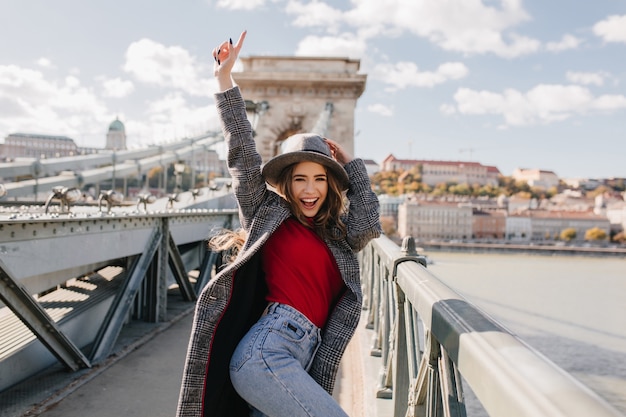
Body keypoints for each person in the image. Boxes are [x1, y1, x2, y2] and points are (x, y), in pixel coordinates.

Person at [176, 30, 381, 417]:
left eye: (320, 179)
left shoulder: (337, 235)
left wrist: (352, 166)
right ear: (285, 182)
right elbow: (242, 153)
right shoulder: (266, 213)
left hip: (304, 356)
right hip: (266, 351)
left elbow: (367, 225)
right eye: (300, 179)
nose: (310, 190)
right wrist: (224, 80)